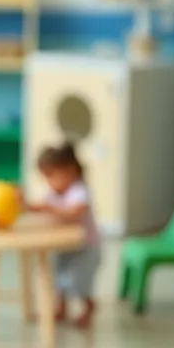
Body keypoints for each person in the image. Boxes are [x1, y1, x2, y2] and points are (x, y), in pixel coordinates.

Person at [28, 141, 102, 329]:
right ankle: (60, 308)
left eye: (52, 176)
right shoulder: (54, 193)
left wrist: (48, 208)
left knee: (78, 282)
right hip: (63, 246)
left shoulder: (79, 191)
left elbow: (74, 212)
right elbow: (42, 209)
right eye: (46, 177)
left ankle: (89, 306)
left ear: (70, 171)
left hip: (85, 247)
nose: (49, 182)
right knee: (57, 277)